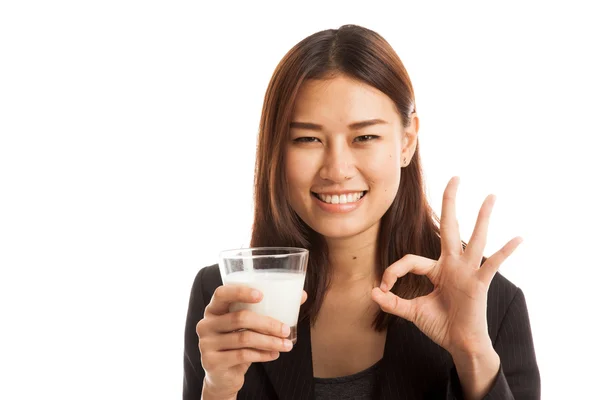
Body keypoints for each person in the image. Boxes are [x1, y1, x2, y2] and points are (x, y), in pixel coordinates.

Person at [183, 24, 540, 400]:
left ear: (407, 141)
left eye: (365, 137)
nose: (337, 170)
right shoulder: (224, 298)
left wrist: (473, 353)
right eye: (307, 139)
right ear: (276, 149)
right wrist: (217, 389)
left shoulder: (490, 302)